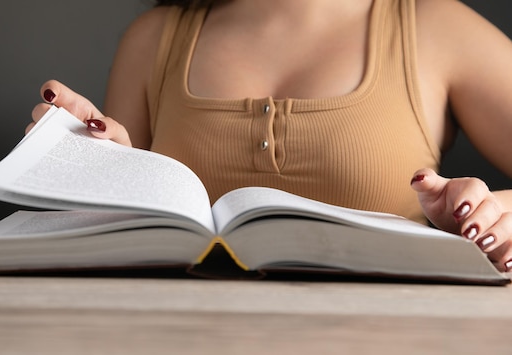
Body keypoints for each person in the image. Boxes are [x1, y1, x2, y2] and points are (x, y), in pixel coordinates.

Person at [29, 0, 512, 271]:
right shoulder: (153, 36)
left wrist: (500, 217)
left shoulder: (437, 27)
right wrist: (95, 170)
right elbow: (118, 236)